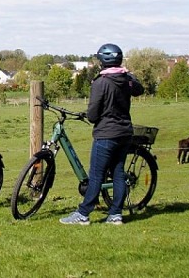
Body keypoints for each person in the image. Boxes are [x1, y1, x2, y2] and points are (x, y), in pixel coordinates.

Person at [60, 43, 144, 226]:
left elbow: (92, 115)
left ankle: (83, 214)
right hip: (125, 132)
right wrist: (129, 75)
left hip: (106, 133)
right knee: (118, 173)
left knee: (96, 175)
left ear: (103, 61)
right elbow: (139, 89)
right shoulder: (126, 80)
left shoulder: (101, 83)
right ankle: (115, 215)